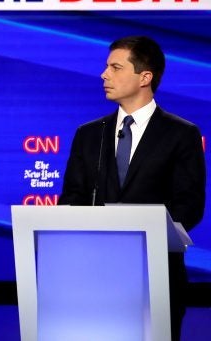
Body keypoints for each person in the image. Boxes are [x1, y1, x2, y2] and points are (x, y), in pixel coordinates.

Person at [59, 35, 205, 341]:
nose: (104, 75)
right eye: (106, 67)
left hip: (156, 279)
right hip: (91, 280)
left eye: (115, 67)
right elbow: (71, 200)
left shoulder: (182, 134)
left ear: (145, 77)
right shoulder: (89, 135)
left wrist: (140, 239)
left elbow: (188, 207)